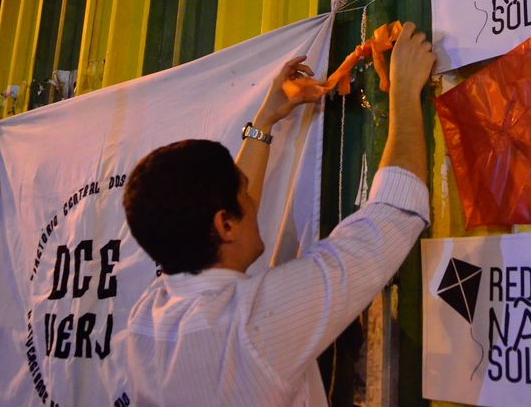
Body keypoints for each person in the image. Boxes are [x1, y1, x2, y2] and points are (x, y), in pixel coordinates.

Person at [117, 22, 435, 406]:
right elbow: (393, 215)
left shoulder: (146, 319)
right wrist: (404, 89)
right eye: (243, 195)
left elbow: (222, 208)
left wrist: (265, 120)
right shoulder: (254, 324)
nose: (254, 199)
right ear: (224, 224)